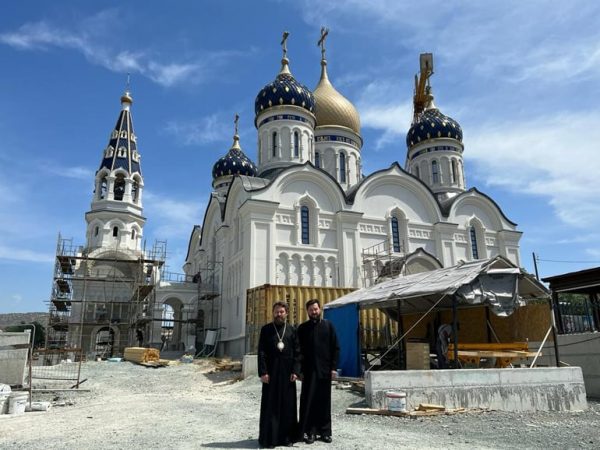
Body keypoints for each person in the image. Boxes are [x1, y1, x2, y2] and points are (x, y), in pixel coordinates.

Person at [258, 301, 301, 448]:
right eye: (276, 311)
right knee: (271, 406)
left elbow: (297, 353)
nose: (279, 314)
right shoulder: (266, 330)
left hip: (288, 374)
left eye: (282, 312)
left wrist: (296, 371)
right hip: (271, 374)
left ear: (286, 313)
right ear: (273, 312)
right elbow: (261, 352)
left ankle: (287, 438)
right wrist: (263, 372)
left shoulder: (292, 330)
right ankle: (269, 439)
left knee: (288, 406)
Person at [298, 299, 340, 444]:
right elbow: (298, 352)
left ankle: (325, 432)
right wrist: (299, 371)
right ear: (307, 312)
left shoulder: (328, 326)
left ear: (320, 309)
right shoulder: (302, 328)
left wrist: (333, 368)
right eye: (311, 310)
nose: (314, 312)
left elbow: (335, 348)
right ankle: (310, 432)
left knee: (324, 402)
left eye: (316, 309)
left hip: (324, 371)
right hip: (308, 373)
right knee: (308, 402)